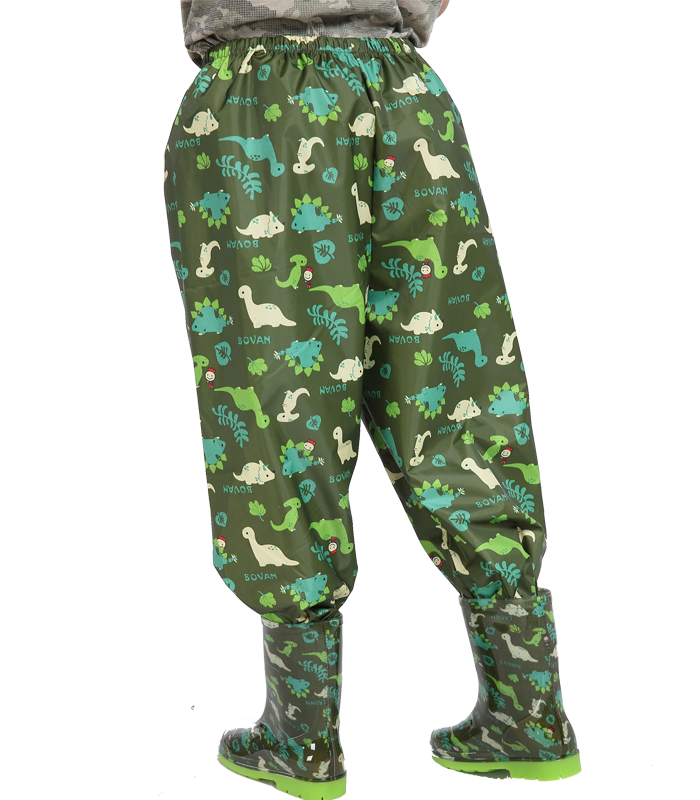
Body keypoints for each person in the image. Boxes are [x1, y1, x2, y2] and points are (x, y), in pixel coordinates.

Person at [163, 2, 581, 795]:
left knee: (277, 404)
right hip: (403, 91)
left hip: (259, 106)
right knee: (456, 391)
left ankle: (302, 737)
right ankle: (530, 712)